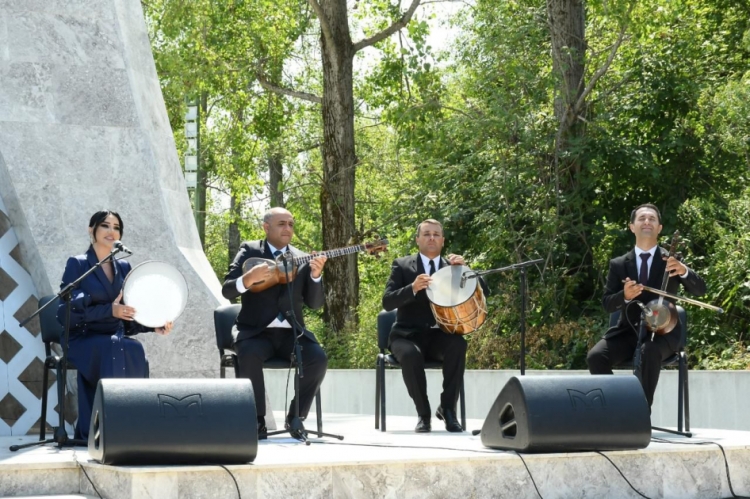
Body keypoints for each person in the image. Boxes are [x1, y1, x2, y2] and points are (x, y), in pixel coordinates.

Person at [58, 210, 173, 440]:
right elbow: (65, 312)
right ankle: (104, 431)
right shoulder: (79, 264)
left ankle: (133, 427)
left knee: (134, 348)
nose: (112, 231)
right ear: (92, 230)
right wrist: (108, 310)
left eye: (116, 227)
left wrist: (153, 325)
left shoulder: (124, 268)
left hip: (113, 335)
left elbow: (128, 315)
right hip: (81, 337)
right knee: (112, 347)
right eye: (105, 226)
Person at [222, 207, 328, 439]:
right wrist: (247, 279)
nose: (287, 228)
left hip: (292, 334)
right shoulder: (250, 251)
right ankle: (257, 420)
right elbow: (228, 288)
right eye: (281, 224)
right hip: (256, 332)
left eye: (291, 224)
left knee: (318, 359)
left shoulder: (301, 256)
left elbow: (315, 304)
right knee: (248, 354)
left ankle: (295, 417)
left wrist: (316, 276)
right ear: (266, 227)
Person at [587, 203, 706, 408]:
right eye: (641, 218)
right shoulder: (619, 264)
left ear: (659, 228)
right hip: (629, 331)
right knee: (596, 356)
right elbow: (607, 303)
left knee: (648, 350)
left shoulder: (671, 261)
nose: (647, 222)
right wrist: (624, 296)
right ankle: (616, 408)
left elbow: (700, 290)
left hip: (662, 334)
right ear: (632, 226)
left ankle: (640, 413)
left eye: (652, 218)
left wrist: (684, 270)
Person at [382, 218, 488, 433]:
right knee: (411, 355)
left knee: (458, 345)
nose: (432, 238)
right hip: (406, 335)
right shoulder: (402, 265)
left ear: (443, 240)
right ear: (418, 239)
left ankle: (448, 410)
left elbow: (484, 291)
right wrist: (411, 288)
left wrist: (466, 269)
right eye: (427, 234)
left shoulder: (453, 267)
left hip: (440, 334)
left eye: (436, 234)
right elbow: (387, 301)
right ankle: (423, 415)